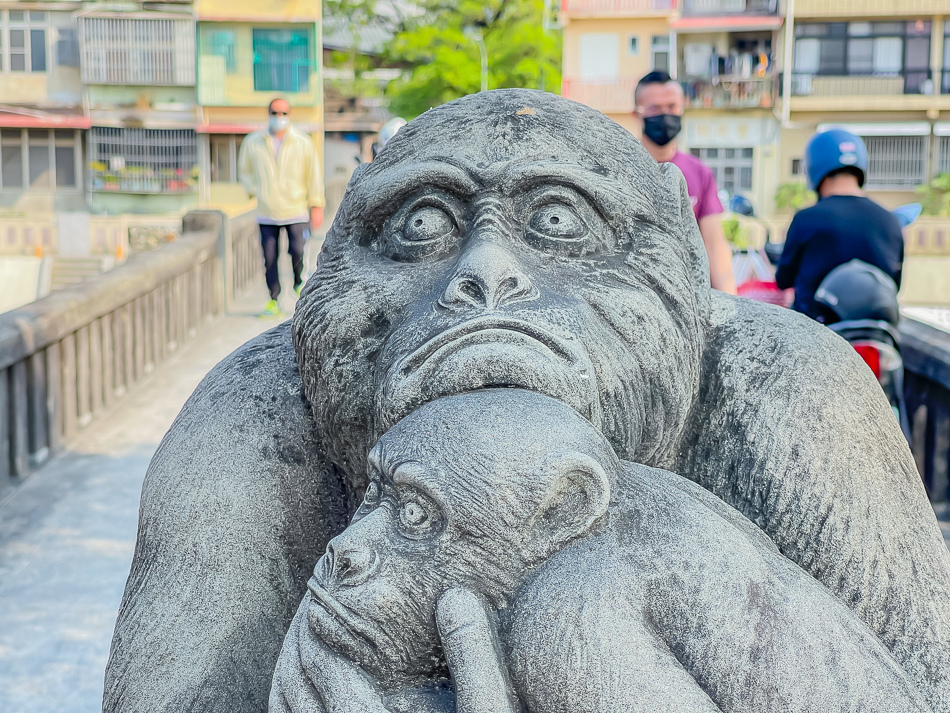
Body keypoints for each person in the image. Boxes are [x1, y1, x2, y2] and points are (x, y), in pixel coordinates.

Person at [775, 129, 904, 319]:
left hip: (814, 334)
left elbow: (783, 280)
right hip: (877, 335)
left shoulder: (807, 218)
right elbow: (894, 285)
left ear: (814, 168)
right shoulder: (891, 220)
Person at [634, 71, 737, 294]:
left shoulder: (700, 172)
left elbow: (714, 244)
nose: (665, 115)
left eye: (671, 107)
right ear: (637, 113)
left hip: (687, 295)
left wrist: (732, 304)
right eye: (654, 109)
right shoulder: (621, 169)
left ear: (682, 109)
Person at [239, 97, 324, 316]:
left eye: (283, 113)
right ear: (268, 114)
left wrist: (316, 204)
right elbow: (244, 171)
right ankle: (273, 299)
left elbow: (313, 175)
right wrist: (256, 190)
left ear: (290, 115)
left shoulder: (302, 142)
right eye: (275, 113)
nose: (279, 118)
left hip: (295, 209)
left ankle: (298, 287)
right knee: (269, 258)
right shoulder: (253, 142)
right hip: (267, 212)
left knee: (297, 252)